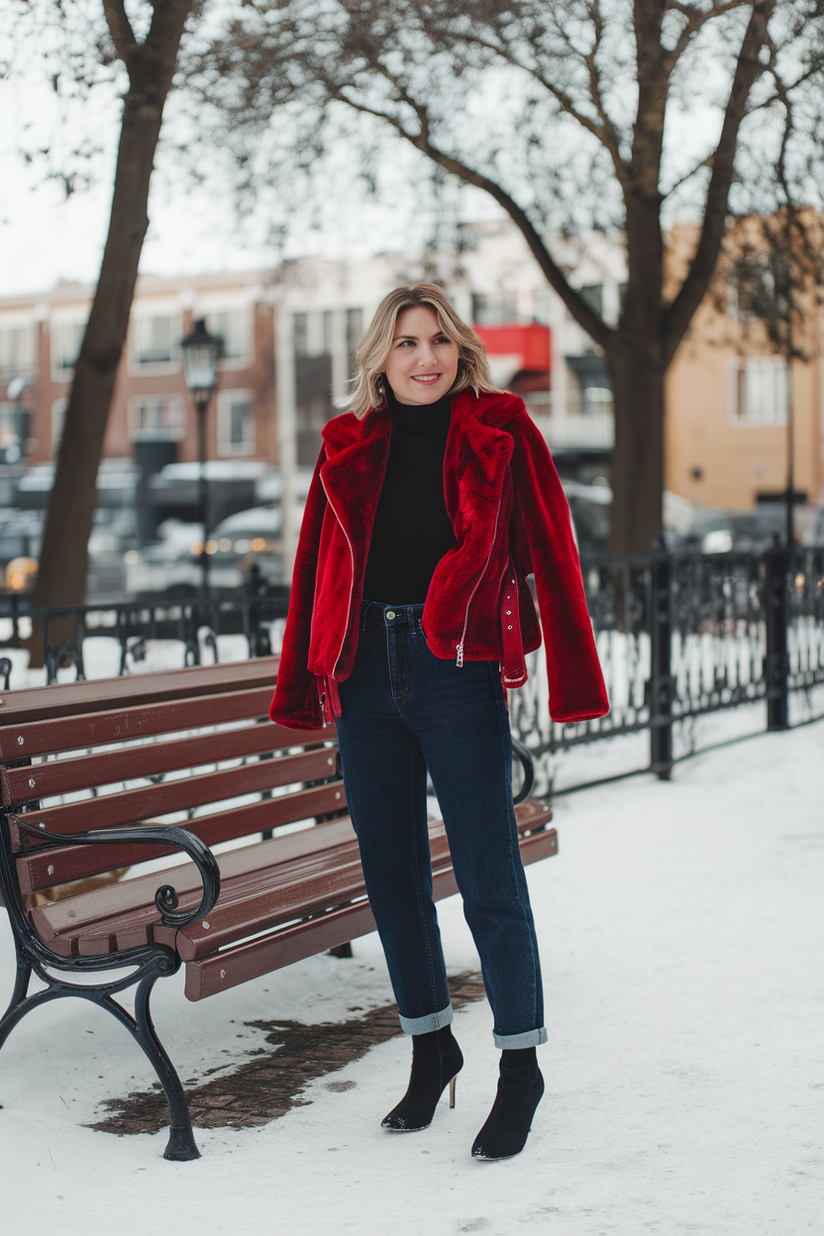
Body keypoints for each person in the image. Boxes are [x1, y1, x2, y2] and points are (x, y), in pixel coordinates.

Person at [269, 284, 608, 1160]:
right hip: (364, 676)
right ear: (380, 357)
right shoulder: (344, 445)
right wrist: (305, 686)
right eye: (406, 343)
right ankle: (430, 1047)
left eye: (439, 342)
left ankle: (521, 1067)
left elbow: (555, 551)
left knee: (490, 877)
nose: (424, 359)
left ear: (460, 350)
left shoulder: (501, 430)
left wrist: (572, 676)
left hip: (455, 667)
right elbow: (314, 567)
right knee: (392, 878)